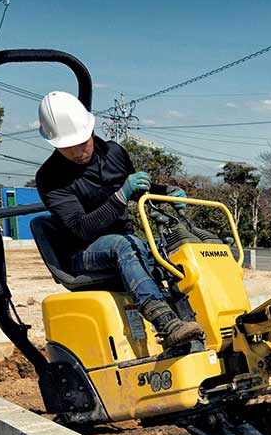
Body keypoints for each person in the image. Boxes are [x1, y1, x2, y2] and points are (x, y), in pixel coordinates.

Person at [34, 91, 203, 348]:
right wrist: (120, 195)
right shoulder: (50, 177)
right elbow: (81, 229)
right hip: (82, 253)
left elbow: (138, 190)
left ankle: (194, 323)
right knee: (123, 245)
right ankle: (166, 323)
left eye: (82, 143)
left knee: (172, 250)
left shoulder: (115, 153)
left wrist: (166, 193)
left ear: (90, 130)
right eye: (67, 147)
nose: (78, 152)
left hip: (126, 241)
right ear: (54, 144)